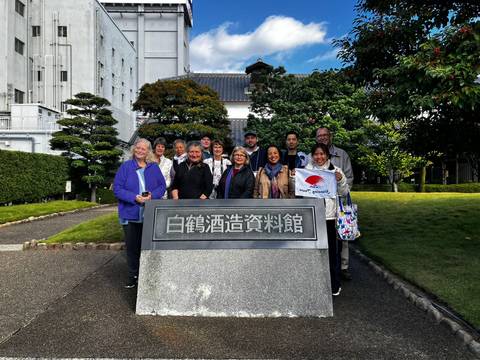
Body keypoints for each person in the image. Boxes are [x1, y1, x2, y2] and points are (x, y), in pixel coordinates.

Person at [113, 138, 166, 289]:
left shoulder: (153, 167)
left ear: (148, 151)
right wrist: (133, 197)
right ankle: (133, 276)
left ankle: (148, 275)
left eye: (144, 149)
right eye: (138, 148)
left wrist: (152, 196)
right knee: (132, 248)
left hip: (149, 214)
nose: (140, 151)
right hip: (130, 214)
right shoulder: (126, 166)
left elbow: (162, 186)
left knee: (148, 246)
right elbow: (117, 189)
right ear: (134, 149)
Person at [305, 142, 349, 296]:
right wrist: (293, 179)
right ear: (312, 156)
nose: (319, 157)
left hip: (330, 217)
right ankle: (314, 282)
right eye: (316, 154)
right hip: (313, 216)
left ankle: (334, 284)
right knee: (314, 252)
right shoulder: (306, 171)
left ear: (327, 156)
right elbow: (301, 191)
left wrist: (340, 180)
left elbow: (344, 192)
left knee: (332, 252)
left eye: (322, 154)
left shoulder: (335, 171)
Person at [315, 127, 354, 281]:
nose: (323, 138)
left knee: (341, 236)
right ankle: (324, 267)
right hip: (320, 206)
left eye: (325, 135)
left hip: (339, 202)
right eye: (320, 136)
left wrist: (340, 190)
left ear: (330, 136)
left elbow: (349, 177)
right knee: (324, 237)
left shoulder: (341, 154)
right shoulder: (313, 158)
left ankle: (343, 267)